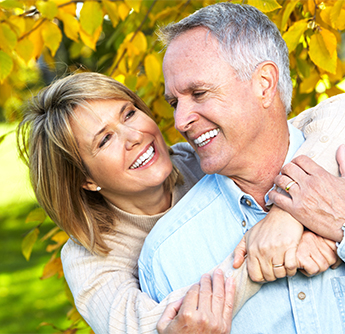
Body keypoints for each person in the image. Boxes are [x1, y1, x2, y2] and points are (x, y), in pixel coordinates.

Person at [18, 71, 344, 334]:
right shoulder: (89, 256)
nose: (135, 136)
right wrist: (282, 250)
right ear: (86, 180)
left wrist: (287, 216)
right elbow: (168, 327)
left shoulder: (201, 158)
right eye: (105, 139)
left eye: (129, 114)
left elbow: (333, 114)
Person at [138, 3, 345, 333]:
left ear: (264, 84)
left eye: (199, 93)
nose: (179, 121)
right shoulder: (168, 255)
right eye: (175, 103)